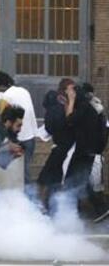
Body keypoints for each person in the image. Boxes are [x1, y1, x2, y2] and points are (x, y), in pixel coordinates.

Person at [61, 84, 109, 222]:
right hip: (87, 150)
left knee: (74, 179)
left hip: (86, 151)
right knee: (79, 180)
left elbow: (69, 120)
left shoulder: (84, 106)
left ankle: (99, 209)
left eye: (70, 93)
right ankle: (94, 210)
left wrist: (70, 101)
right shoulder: (89, 107)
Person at [0, 71, 37, 184]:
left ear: (0, 85)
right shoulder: (24, 91)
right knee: (24, 171)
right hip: (30, 137)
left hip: (17, 140)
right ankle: (27, 197)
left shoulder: (6, 96)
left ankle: (28, 199)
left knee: (15, 171)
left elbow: (3, 119)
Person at [37, 79, 75, 212]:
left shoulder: (57, 107)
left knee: (47, 178)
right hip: (68, 146)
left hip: (63, 147)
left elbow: (50, 128)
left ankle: (44, 205)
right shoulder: (66, 104)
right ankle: (52, 205)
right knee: (55, 178)